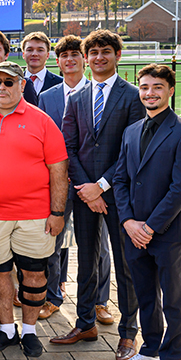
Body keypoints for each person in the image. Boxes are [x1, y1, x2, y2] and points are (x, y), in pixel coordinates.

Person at [0, 61, 68, 358]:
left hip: (35, 216)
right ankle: (7, 329)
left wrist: (57, 213)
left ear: (22, 85)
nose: (2, 87)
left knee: (33, 274)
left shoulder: (42, 121)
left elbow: (58, 170)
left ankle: (29, 331)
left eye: (9, 82)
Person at [51, 29, 144, 360]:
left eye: (106, 52)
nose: (99, 58)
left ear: (117, 55)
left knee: (125, 265)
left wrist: (102, 186)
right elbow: (68, 147)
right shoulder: (76, 97)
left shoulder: (133, 96)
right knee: (86, 261)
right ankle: (85, 323)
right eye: (94, 53)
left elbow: (130, 150)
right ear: (86, 58)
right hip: (85, 193)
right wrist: (87, 190)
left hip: (119, 194)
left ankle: (129, 334)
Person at [112, 64, 181, 360]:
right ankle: (150, 351)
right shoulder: (132, 131)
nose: (150, 93)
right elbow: (120, 179)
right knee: (146, 294)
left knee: (174, 298)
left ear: (170, 91)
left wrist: (149, 226)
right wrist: (127, 221)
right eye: (145, 87)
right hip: (134, 231)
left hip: (167, 233)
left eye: (157, 87)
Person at [36, 35, 113, 322]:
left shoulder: (98, 93)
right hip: (58, 182)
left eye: (74, 55)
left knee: (98, 245)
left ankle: (99, 302)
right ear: (58, 61)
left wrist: (95, 183)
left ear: (83, 59)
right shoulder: (48, 97)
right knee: (52, 242)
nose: (69, 60)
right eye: (64, 56)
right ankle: (52, 296)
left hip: (92, 183)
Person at [21, 31, 63, 99]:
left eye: (40, 50)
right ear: (23, 54)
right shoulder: (14, 82)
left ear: (47, 55)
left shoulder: (60, 83)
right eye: (30, 50)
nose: (34, 54)